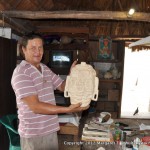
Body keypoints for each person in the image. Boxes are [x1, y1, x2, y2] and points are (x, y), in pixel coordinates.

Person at [11, 33, 89, 150]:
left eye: (40, 47)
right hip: (33, 134)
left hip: (50, 129)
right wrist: (67, 109)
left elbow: (62, 87)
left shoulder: (44, 68)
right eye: (33, 48)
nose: (37, 52)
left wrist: (72, 75)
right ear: (23, 49)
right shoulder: (21, 73)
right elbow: (35, 106)